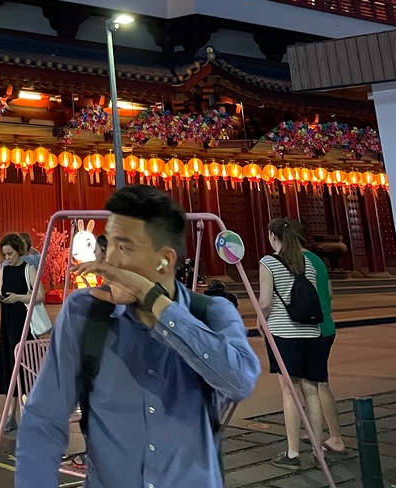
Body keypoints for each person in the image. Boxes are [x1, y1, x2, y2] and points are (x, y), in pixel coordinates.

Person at [16, 186, 260, 487]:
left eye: (125, 248)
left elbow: (239, 382)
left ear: (164, 261)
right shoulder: (84, 313)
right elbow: (43, 420)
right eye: (109, 245)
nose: (109, 261)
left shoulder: (211, 313)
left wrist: (152, 298)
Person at [259, 216, 325, 468]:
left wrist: (259, 322)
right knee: (312, 391)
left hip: (284, 334)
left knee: (290, 392)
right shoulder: (308, 263)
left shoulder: (268, 262)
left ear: (272, 236)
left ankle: (293, 453)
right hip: (312, 333)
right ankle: (319, 451)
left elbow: (265, 302)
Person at [0, 233, 47, 434]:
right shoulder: (3, 270)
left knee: (26, 367)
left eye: (10, 254)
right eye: (5, 254)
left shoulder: (28, 268)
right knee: (10, 366)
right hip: (7, 323)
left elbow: (40, 296)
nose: (7, 258)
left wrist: (19, 298)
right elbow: (2, 291)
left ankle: (33, 412)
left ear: (19, 251)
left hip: (24, 323)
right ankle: (10, 414)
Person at [301, 232, 346, 455]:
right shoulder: (317, 260)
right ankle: (315, 429)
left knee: (319, 385)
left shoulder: (296, 261)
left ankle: (336, 437)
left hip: (313, 329)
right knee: (310, 383)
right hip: (327, 324)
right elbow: (329, 292)